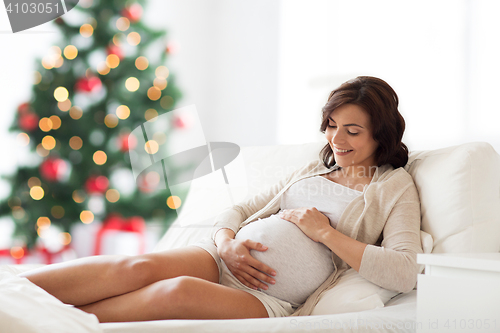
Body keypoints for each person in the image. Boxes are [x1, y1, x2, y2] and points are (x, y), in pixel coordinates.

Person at [19, 76, 422, 322]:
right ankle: (14, 296)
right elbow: (242, 208)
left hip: (268, 296)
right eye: (332, 126)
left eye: (352, 130)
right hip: (223, 260)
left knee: (174, 292)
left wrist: (326, 234)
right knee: (135, 266)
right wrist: (226, 242)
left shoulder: (393, 186)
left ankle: (42, 320)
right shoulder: (312, 169)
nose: (336, 139)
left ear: (380, 134)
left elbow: (404, 271)